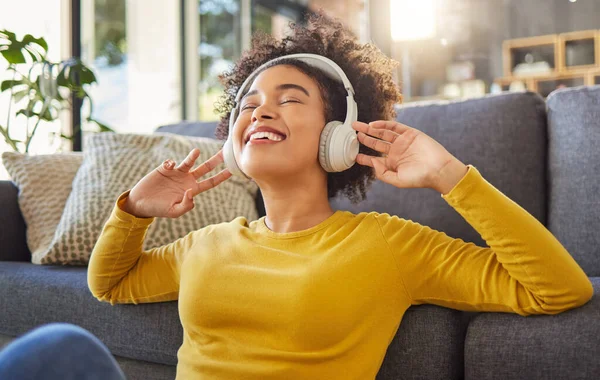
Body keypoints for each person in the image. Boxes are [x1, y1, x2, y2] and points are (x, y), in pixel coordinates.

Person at [1, 11, 593, 380]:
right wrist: (132, 212)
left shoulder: (388, 245)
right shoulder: (205, 245)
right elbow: (111, 284)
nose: (260, 109)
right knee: (58, 349)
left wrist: (450, 177)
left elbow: (557, 289)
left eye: (289, 98)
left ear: (336, 136)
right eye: (249, 103)